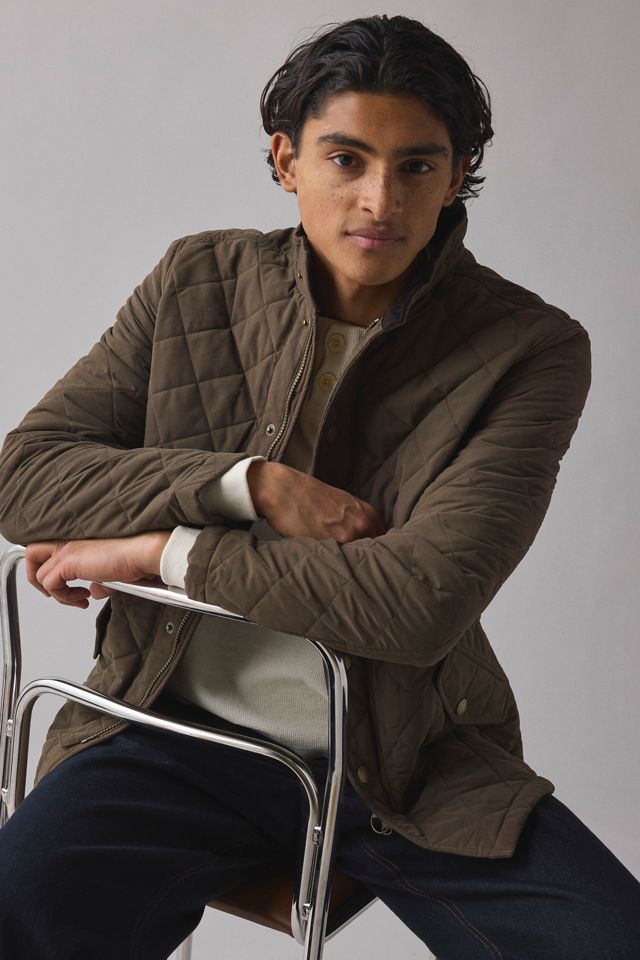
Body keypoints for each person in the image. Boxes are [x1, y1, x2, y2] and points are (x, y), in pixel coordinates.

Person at [0, 13, 638, 959]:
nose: (381, 199)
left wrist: (163, 553)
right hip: (173, 733)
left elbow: (418, 604)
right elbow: (25, 479)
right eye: (347, 158)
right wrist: (247, 485)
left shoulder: (528, 348)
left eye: (417, 165)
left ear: (457, 174)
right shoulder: (198, 279)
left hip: (406, 762)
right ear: (286, 160)